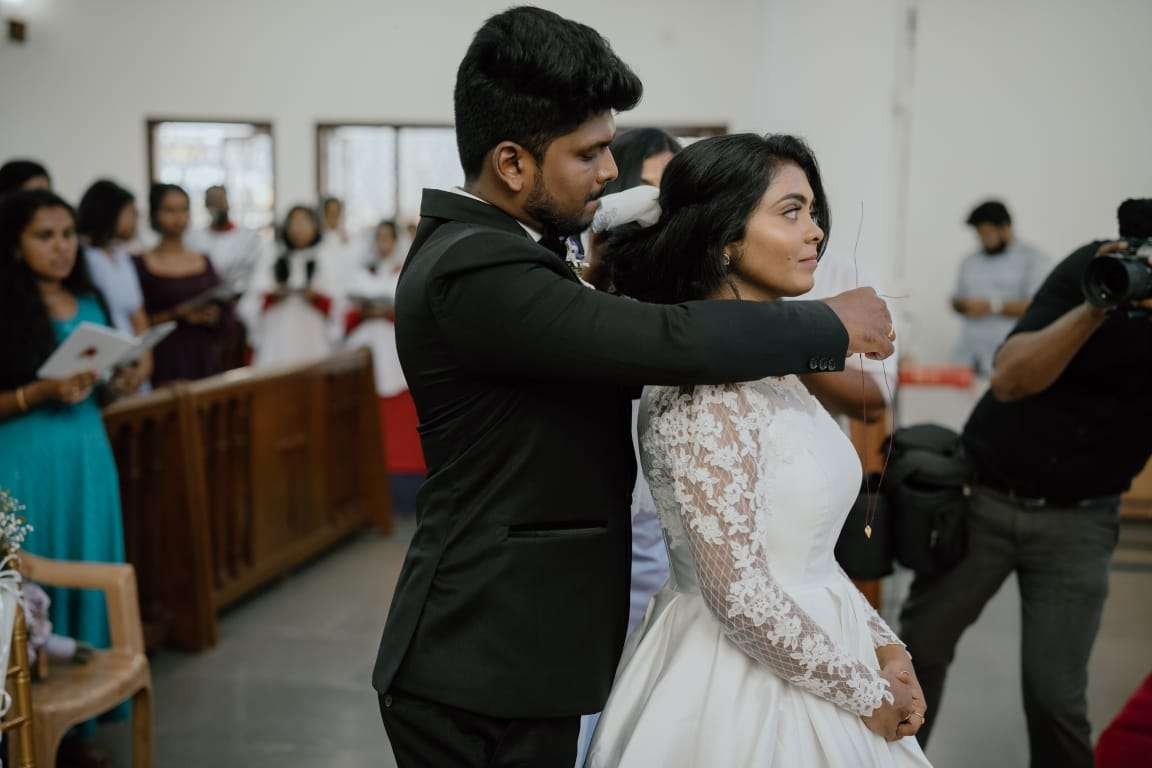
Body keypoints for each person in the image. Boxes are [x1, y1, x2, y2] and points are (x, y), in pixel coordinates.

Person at [372, 8, 896, 767]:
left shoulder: (518, 251)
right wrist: (829, 323)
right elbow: (659, 340)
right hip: (481, 658)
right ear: (512, 163)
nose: (608, 172)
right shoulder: (473, 265)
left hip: (529, 651)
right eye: (588, 154)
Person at [585, 133, 928, 767]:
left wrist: (884, 645)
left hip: (822, 652)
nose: (816, 231)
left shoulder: (776, 373)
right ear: (725, 240)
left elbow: (807, 560)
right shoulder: (702, 394)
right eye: (791, 211)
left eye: (813, 212)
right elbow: (737, 593)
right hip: (733, 682)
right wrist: (864, 692)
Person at [900, 198, 1152, 768]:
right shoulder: (1091, 269)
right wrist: (1097, 305)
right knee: (916, 655)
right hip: (985, 499)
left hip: (1081, 524)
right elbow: (1011, 378)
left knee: (1055, 697)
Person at [0, 189, 130, 692]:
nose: (61, 247)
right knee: (36, 567)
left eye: (69, 234)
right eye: (45, 236)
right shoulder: (7, 308)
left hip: (86, 449)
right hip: (26, 455)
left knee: (88, 554)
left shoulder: (91, 300)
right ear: (15, 244)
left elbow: (100, 387)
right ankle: (31, 707)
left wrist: (116, 380)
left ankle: (92, 697)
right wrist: (40, 391)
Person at [133, 183, 232, 386]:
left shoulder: (203, 261)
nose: (178, 218)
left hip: (202, 356)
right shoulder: (140, 264)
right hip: (163, 358)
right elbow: (135, 322)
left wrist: (214, 315)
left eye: (183, 209)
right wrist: (178, 314)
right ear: (155, 214)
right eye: (169, 210)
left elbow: (225, 313)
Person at [951, 200, 1048, 375]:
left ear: (1005, 228)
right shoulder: (970, 261)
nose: (983, 240)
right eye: (980, 235)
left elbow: (1037, 306)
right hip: (969, 354)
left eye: (988, 234)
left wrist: (992, 306)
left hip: (1009, 353)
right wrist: (961, 305)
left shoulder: (1033, 260)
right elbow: (956, 299)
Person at [77, 179, 152, 392]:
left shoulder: (121, 256)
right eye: (131, 212)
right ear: (109, 213)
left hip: (133, 361)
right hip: (101, 366)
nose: (137, 219)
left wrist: (145, 363)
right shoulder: (83, 258)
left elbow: (138, 317)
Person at [245, 205, 335, 367]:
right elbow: (254, 299)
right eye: (294, 222)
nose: (298, 228)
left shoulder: (327, 255)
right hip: (278, 332)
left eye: (304, 222)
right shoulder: (272, 255)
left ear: (315, 225)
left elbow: (339, 301)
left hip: (314, 333)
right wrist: (273, 295)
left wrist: (316, 298)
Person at [184, 184, 263, 293]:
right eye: (212, 201)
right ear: (206, 205)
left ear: (227, 202)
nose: (216, 206)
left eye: (219, 200)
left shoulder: (248, 238)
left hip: (240, 296)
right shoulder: (195, 238)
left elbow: (253, 274)